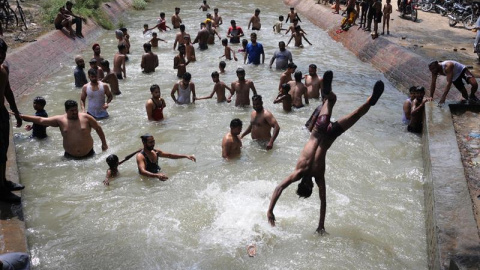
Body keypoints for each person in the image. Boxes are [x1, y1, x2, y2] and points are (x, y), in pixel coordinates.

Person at [267, 71, 384, 234]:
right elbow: (280, 187)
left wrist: (321, 225)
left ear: (309, 185)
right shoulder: (301, 172)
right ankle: (328, 91)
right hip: (321, 129)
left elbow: (322, 201)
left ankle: (370, 101)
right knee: (331, 100)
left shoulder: (314, 175)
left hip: (328, 134)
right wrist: (270, 209)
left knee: (356, 114)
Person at [18, 100, 108, 159]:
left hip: (89, 154)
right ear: (66, 110)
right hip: (70, 157)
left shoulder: (86, 118)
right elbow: (41, 120)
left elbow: (98, 128)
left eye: (76, 110)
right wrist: (22, 116)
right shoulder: (60, 120)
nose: (75, 112)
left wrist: (104, 144)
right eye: (72, 111)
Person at [0, 38, 24, 203]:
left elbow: (7, 91)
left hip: (1, 113)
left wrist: (16, 112)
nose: (1, 56)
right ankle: (1, 191)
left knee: (4, 150)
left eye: (3, 53)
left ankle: (4, 182)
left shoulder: (3, 69)